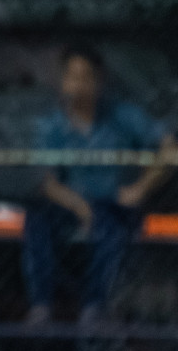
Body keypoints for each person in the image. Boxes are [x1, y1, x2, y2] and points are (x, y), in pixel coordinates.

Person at [23, 44, 175, 324]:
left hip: (111, 203)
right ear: (62, 81)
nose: (79, 85)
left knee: (113, 228)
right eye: (73, 77)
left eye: (86, 77)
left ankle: (95, 307)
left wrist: (142, 187)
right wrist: (79, 206)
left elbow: (169, 149)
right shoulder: (52, 124)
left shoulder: (122, 115)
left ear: (99, 80)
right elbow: (46, 181)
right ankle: (42, 305)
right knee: (37, 221)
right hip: (69, 203)